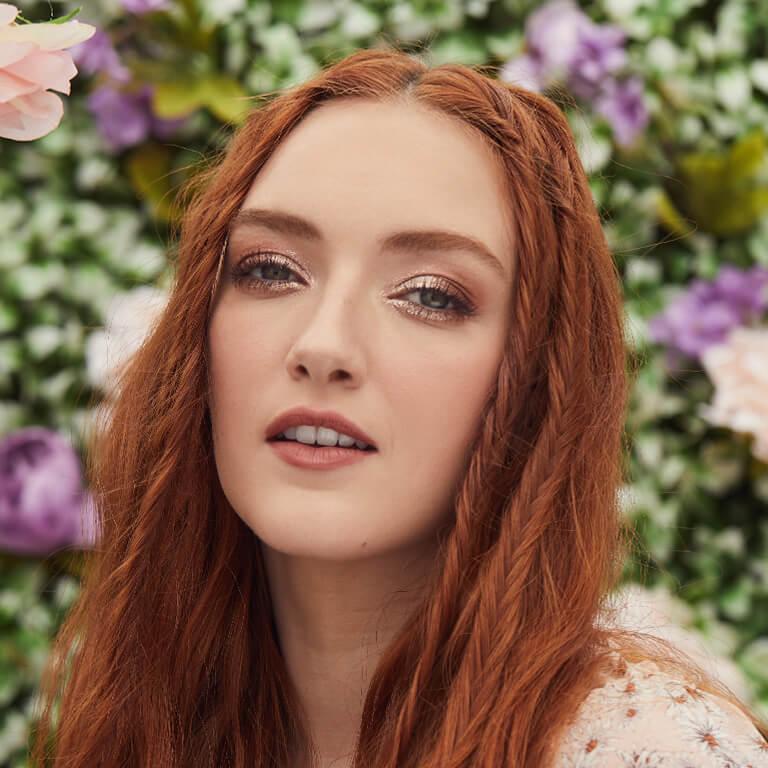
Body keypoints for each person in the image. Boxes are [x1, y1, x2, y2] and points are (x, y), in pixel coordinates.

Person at [31, 45, 768, 768]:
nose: (323, 345)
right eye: (271, 270)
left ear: (534, 375)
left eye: (431, 296)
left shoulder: (646, 748)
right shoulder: (148, 714)